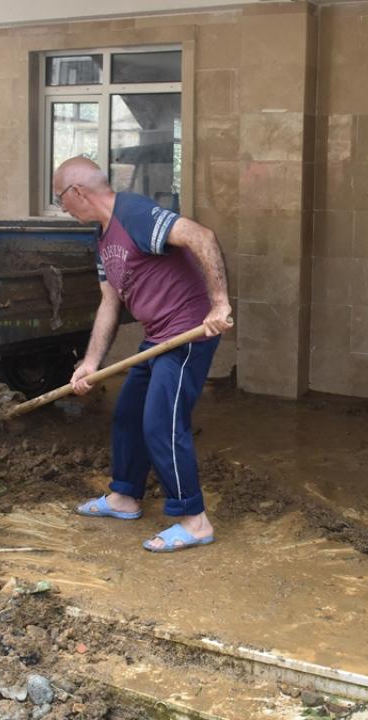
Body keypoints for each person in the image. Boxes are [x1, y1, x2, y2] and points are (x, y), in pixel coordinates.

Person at [52, 156, 232, 553]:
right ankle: (125, 496)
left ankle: (195, 521)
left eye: (60, 199)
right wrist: (90, 363)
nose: (62, 209)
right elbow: (109, 303)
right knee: (129, 416)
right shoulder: (102, 238)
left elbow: (201, 236)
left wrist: (219, 303)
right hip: (157, 337)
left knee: (161, 424)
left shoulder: (132, 213)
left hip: (187, 333)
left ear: (77, 191)